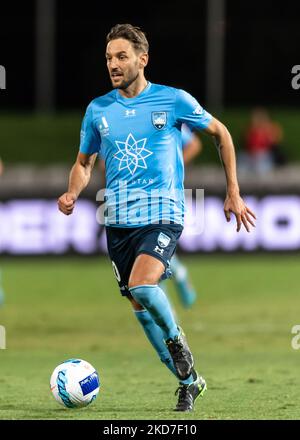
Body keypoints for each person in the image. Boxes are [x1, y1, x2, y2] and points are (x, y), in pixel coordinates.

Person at [58, 24, 256, 412]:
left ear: (142, 59)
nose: (113, 65)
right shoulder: (98, 110)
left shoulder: (173, 100)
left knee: (144, 287)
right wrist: (73, 191)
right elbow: (84, 162)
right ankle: (189, 381)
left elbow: (222, 134)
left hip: (163, 215)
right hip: (117, 223)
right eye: (109, 58)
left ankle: (179, 342)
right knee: (140, 308)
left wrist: (233, 191)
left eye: (121, 57)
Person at [161, 124, 202, 308]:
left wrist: (173, 167)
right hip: (129, 196)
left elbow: (194, 144)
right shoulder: (116, 119)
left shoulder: (163, 113)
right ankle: (178, 272)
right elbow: (104, 163)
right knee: (142, 251)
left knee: (152, 247)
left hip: (165, 194)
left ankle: (166, 319)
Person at [239, 107, 285, 174]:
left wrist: (267, 133)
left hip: (264, 155)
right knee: (241, 162)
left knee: (261, 167)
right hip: (250, 155)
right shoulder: (250, 129)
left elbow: (275, 142)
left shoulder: (270, 128)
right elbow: (245, 142)